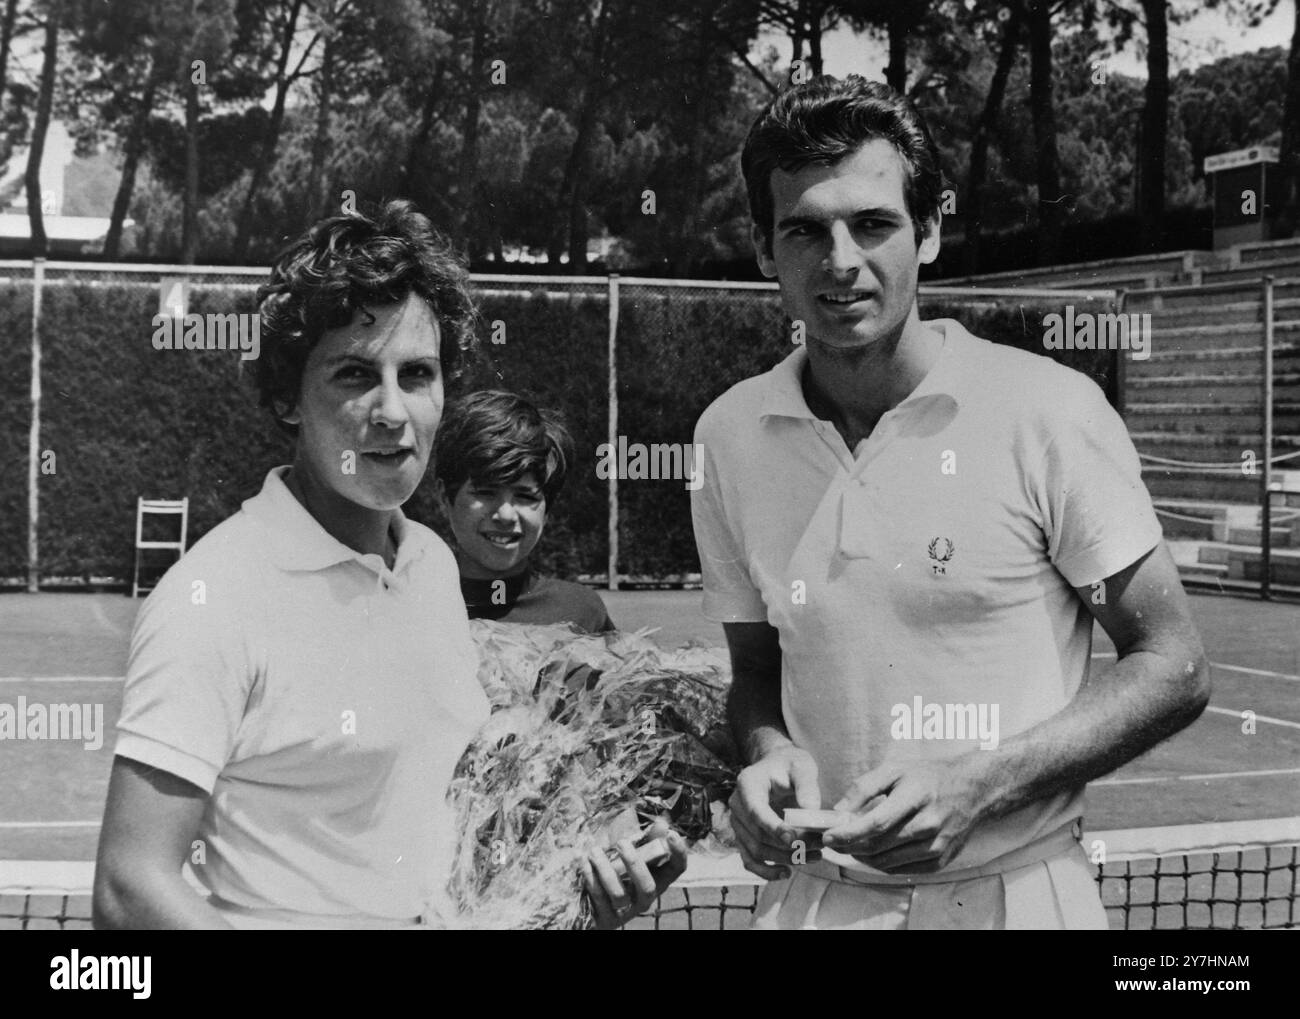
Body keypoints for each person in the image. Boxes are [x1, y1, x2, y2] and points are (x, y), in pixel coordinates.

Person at [690, 76, 1210, 930]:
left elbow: (1175, 662)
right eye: (804, 230)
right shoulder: (727, 436)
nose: (841, 260)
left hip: (1021, 895)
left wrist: (983, 784)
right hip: (812, 903)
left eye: (873, 223)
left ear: (928, 232)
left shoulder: (1050, 410)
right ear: (762, 247)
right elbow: (756, 670)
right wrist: (767, 750)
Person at [92, 199, 676, 930]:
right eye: (353, 374)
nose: (392, 410)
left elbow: (439, 832)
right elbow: (128, 885)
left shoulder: (430, 563)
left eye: (418, 373)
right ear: (287, 398)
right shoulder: (212, 596)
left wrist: (584, 878)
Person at [433, 390, 614, 632]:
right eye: (486, 492)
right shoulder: (414, 609)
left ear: (546, 509)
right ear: (446, 497)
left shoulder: (581, 612)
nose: (506, 515)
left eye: (525, 496)